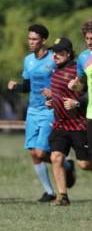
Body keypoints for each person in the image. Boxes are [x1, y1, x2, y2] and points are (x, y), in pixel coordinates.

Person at [8, 24, 75, 202]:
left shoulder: (54, 60)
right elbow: (28, 86)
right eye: (29, 39)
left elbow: (65, 81)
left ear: (43, 40)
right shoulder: (28, 60)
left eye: (35, 39)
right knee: (33, 153)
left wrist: (55, 94)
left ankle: (66, 166)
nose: (31, 42)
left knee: (40, 152)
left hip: (50, 111)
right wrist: (15, 87)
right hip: (32, 111)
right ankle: (50, 191)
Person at [47, 37, 92, 206]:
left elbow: (88, 94)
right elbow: (59, 94)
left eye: (60, 52)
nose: (56, 55)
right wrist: (52, 101)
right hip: (60, 124)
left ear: (69, 54)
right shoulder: (54, 71)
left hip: (78, 124)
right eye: (54, 52)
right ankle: (62, 196)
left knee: (85, 164)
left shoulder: (77, 69)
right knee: (56, 157)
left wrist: (76, 103)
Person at [69, 20, 92, 154]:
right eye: (87, 38)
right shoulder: (83, 58)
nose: (89, 42)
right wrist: (75, 86)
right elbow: (82, 86)